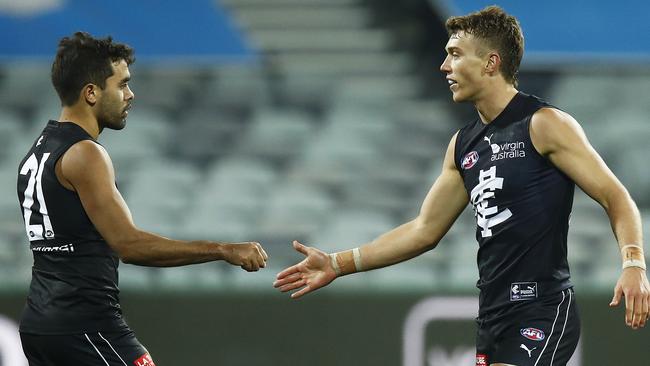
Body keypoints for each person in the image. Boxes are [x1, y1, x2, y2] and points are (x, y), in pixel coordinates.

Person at [273, 6, 649, 366]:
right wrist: (338, 264)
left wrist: (633, 262)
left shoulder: (545, 124)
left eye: (455, 54)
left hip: (543, 309)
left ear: (490, 62)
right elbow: (424, 230)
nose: (444, 66)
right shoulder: (463, 145)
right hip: (491, 316)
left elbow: (615, 196)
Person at [16, 32, 268, 365]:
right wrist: (223, 249)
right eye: (121, 85)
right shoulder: (85, 154)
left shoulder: (38, 151)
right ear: (91, 93)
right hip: (86, 326)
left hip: (41, 325)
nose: (130, 95)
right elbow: (130, 245)